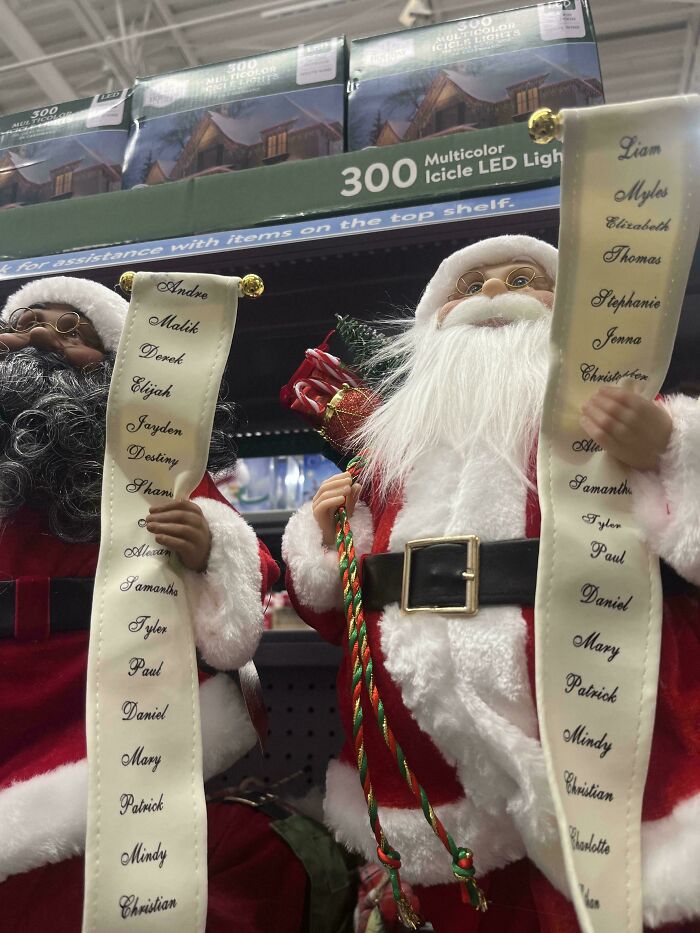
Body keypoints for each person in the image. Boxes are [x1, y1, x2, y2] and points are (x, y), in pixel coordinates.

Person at [282, 235, 700, 932]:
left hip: (597, 725)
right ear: (432, 323)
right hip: (424, 769)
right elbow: (339, 611)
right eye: (469, 284)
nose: (494, 293)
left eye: (521, 278)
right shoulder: (390, 455)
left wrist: (672, 448)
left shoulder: (613, 420)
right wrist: (328, 544)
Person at [0, 275, 309, 932]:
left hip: (103, 694)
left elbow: (243, 576)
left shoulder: (152, 464)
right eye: (24, 321)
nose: (41, 337)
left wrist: (206, 546)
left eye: (70, 330)